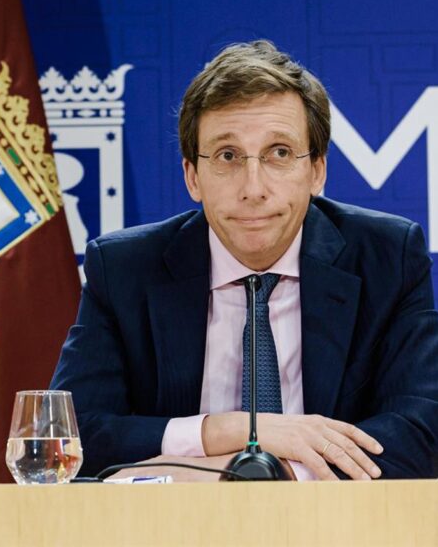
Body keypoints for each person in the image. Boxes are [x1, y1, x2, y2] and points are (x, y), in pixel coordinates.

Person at [51, 40, 438, 480]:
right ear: (192, 177)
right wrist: (232, 432)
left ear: (317, 172)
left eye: (279, 153)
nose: (253, 188)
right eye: (228, 156)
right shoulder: (124, 269)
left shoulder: (387, 257)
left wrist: (269, 474)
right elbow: (71, 437)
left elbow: (421, 432)